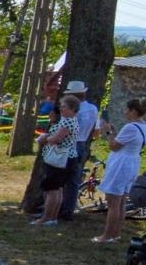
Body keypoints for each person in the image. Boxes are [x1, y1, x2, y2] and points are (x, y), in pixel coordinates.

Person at [94, 96, 146, 243]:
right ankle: (116, 233)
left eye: (127, 110)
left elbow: (114, 146)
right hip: (133, 163)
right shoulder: (143, 126)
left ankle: (107, 235)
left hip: (122, 164)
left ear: (134, 111)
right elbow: (122, 142)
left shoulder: (130, 127)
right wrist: (115, 134)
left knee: (113, 202)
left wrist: (109, 132)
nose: (125, 112)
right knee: (121, 201)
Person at [32, 95, 81, 226]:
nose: (61, 109)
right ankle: (52, 217)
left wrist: (44, 139)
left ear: (72, 109)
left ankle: (46, 217)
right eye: (61, 106)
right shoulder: (70, 120)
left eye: (64, 107)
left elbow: (57, 139)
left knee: (52, 188)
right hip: (67, 158)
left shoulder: (67, 121)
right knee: (57, 188)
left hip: (61, 158)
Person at [59, 80, 100, 221]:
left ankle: (56, 208)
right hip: (82, 142)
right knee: (74, 180)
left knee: (59, 177)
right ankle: (68, 209)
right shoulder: (93, 109)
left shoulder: (74, 111)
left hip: (70, 143)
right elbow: (96, 131)